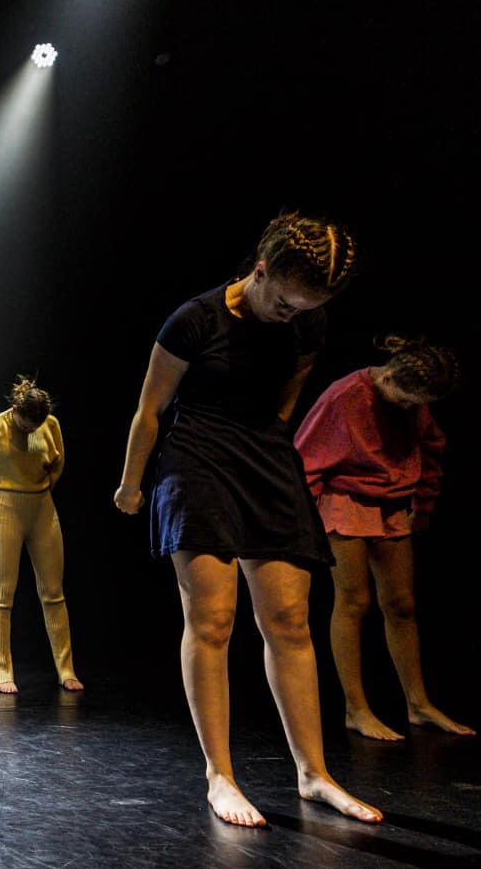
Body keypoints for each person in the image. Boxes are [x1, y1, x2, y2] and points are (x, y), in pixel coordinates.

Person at [114, 212, 381, 828]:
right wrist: (132, 485)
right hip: (197, 457)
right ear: (260, 272)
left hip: (264, 456)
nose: (293, 315)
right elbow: (149, 410)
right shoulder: (195, 319)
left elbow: (285, 401)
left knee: (289, 619)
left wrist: (268, 449)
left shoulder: (308, 324)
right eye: (285, 303)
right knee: (212, 618)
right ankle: (220, 774)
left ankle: (312, 773)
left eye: (304, 308)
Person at [294, 337, 473, 740]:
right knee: (355, 601)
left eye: (417, 404)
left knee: (402, 605)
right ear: (389, 376)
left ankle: (418, 704)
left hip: (392, 504)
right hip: (344, 498)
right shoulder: (345, 395)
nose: (410, 409)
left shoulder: (414, 402)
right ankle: (356, 709)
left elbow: (431, 447)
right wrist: (302, 521)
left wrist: (423, 507)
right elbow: (303, 458)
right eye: (407, 401)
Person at [0, 377, 82, 695]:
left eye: (38, 425)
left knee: (54, 592)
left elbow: (58, 462)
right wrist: (0, 503)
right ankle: (2, 670)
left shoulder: (50, 424)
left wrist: (43, 489)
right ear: (16, 408)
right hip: (6, 505)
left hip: (42, 507)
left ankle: (66, 668)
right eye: (26, 423)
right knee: (2, 594)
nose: (31, 429)